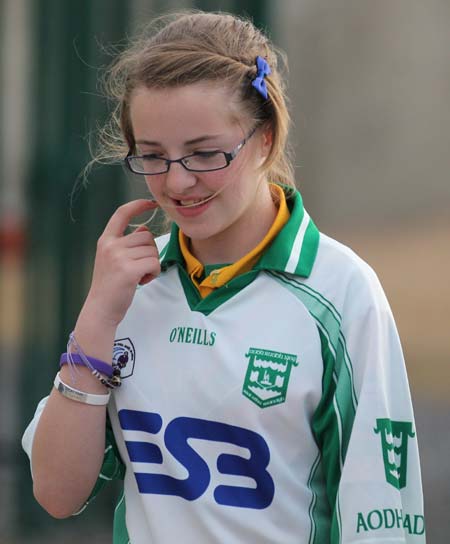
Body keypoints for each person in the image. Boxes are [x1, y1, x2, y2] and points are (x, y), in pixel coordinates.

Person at [22, 10, 425, 544]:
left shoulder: (341, 293)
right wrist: (97, 315)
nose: (179, 180)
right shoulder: (125, 289)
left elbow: (382, 521)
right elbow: (56, 493)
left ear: (265, 138)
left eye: (205, 153)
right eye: (153, 156)